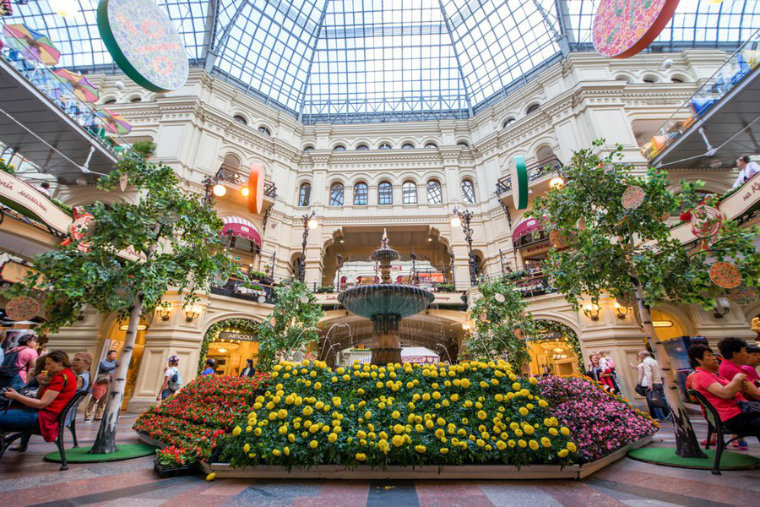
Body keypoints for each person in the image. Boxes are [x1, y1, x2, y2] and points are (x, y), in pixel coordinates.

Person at [0, 350, 77, 444]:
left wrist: (16, 396)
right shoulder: (66, 375)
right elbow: (39, 399)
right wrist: (42, 385)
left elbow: (41, 404)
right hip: (45, 414)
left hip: (44, 417)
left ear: (60, 363)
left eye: (49, 364)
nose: (46, 367)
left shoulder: (61, 378)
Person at [688, 344, 760, 438]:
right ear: (698, 359)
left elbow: (732, 390)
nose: (714, 358)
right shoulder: (701, 375)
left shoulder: (712, 374)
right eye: (709, 355)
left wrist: (739, 386)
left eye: (713, 355)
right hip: (734, 418)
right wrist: (737, 379)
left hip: (742, 413)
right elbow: (725, 393)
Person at [84, 349, 118, 422]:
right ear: (108, 355)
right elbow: (105, 368)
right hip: (101, 382)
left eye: (115, 354)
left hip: (108, 382)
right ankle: (87, 415)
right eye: (113, 354)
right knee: (94, 398)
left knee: (103, 400)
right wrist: (115, 366)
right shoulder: (103, 362)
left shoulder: (115, 361)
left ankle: (98, 415)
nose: (114, 356)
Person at [639, 351, 670, 420]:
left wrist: (650, 384)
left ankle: (661, 416)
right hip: (659, 382)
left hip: (653, 383)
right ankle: (669, 414)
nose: (640, 356)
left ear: (643, 355)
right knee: (663, 399)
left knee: (654, 400)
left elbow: (648, 373)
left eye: (640, 355)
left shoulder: (646, 362)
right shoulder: (655, 361)